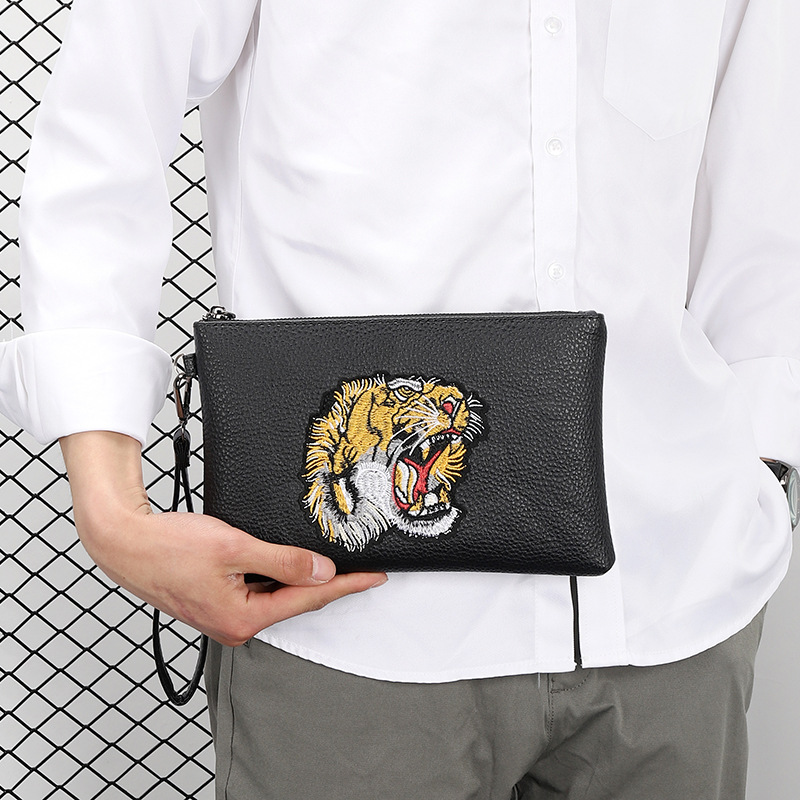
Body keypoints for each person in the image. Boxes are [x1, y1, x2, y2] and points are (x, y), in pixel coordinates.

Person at [1, 1, 798, 798]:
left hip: (675, 603)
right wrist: (111, 516)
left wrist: (761, 472)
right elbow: (104, 128)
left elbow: (765, 183)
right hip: (349, 627)